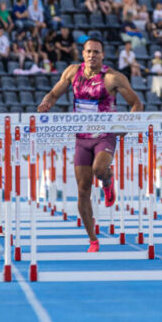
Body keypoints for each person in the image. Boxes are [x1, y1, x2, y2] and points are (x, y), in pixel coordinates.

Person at [37, 38, 143, 252]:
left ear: (102, 55)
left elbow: (136, 104)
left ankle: (107, 180)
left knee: (99, 169)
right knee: (83, 190)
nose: (92, 55)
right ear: (82, 53)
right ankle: (93, 239)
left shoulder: (112, 77)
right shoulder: (72, 72)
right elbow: (55, 93)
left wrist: (126, 126)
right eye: (88, 52)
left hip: (104, 135)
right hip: (81, 138)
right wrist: (46, 102)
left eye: (96, 52)